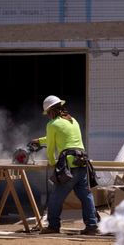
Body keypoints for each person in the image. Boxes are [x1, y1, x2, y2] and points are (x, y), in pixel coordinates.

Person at [31, 95, 99, 236]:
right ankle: (92, 226)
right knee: (86, 196)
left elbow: (50, 147)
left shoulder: (52, 124)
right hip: (81, 163)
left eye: (48, 113)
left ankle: (53, 226)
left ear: (50, 111)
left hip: (68, 166)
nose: (48, 116)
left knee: (56, 197)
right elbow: (60, 137)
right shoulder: (72, 121)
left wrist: (52, 162)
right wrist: (39, 141)